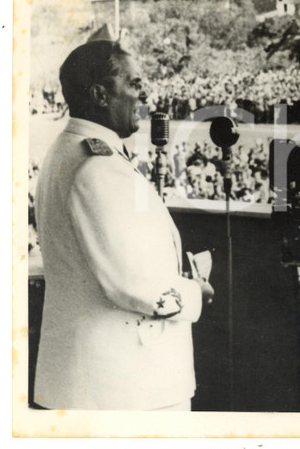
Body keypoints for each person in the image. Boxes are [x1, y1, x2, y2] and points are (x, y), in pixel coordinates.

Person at [34, 41, 214, 411]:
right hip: (125, 385)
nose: (144, 93)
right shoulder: (96, 166)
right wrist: (196, 291)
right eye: (134, 83)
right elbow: (131, 282)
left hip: (105, 380)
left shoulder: (72, 150)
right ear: (100, 94)